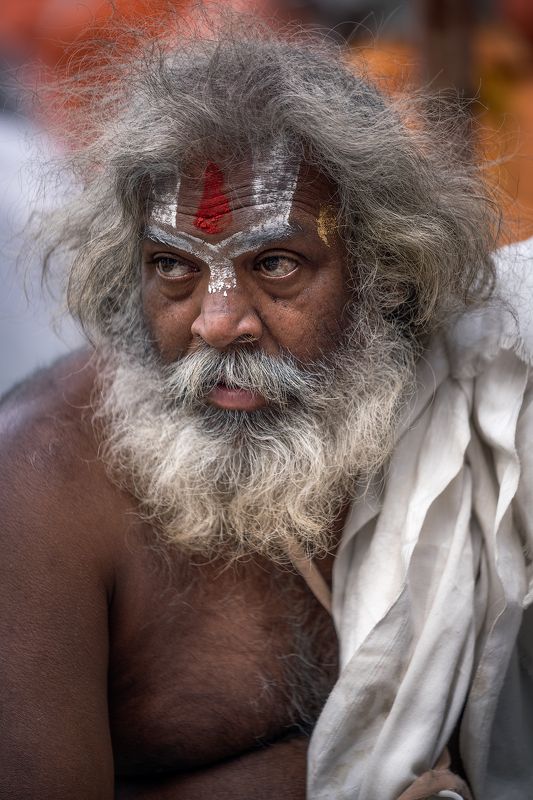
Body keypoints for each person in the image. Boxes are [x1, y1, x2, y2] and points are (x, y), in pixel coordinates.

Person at [0, 20, 532, 800]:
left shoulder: (458, 412)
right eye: (173, 268)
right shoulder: (40, 489)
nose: (216, 323)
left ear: (380, 272)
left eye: (275, 264)